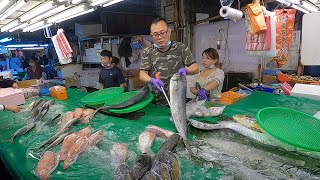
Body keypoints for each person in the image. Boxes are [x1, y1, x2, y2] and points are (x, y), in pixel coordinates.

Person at [139, 17, 199, 106]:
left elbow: (195, 68)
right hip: (155, 101)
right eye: (155, 34)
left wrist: (187, 70)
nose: (159, 37)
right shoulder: (148, 51)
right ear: (151, 35)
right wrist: (151, 80)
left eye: (162, 33)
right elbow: (142, 74)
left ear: (169, 31)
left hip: (178, 98)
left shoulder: (181, 48)